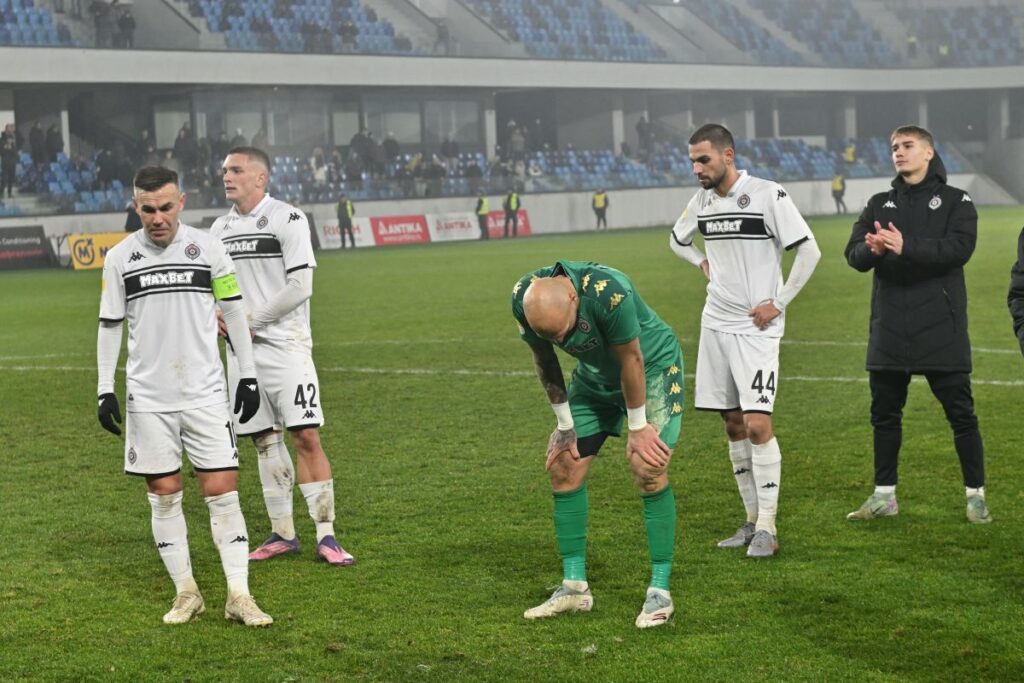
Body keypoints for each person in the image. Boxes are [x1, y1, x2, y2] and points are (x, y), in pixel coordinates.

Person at [96, 165, 272, 626]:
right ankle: (187, 592)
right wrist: (103, 389)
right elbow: (109, 325)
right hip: (149, 399)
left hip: (205, 393)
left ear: (182, 202)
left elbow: (233, 312)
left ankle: (239, 595)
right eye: (148, 209)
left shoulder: (208, 248)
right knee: (165, 493)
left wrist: (247, 377)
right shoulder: (119, 259)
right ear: (137, 207)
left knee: (222, 492)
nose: (158, 217)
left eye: (166, 207)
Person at [669, 124, 820, 557]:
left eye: (704, 160)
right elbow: (677, 239)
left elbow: (808, 250)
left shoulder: (768, 194)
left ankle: (769, 529)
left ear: (728, 155)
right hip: (715, 322)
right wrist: (700, 260)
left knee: (757, 425)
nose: (696, 168)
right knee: (732, 423)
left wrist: (780, 302)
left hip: (756, 327)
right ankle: (751, 520)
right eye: (693, 161)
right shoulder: (701, 201)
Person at [511, 260, 684, 629]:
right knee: (564, 464)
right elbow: (544, 359)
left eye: (566, 332)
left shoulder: (610, 291)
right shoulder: (524, 300)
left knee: (647, 467)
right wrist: (564, 424)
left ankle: (660, 590)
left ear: (573, 297)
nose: (562, 342)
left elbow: (632, 358)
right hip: (593, 380)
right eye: (554, 337)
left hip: (651, 369)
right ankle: (574, 587)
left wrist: (638, 427)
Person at [211, 147, 356, 566]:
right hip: (241, 355)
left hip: (286, 348)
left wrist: (251, 320)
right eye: (224, 170)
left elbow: (300, 287)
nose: (227, 176)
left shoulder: (288, 218)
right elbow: (211, 289)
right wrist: (217, 315)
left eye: (236, 170)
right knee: (262, 439)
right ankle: (283, 533)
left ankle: (326, 536)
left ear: (261, 178)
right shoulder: (218, 229)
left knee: (305, 435)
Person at [844, 125, 990, 524]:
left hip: (941, 324)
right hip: (890, 325)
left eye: (907, 146)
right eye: (894, 147)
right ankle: (884, 496)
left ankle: (975, 495)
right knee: (884, 414)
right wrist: (871, 250)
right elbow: (853, 254)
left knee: (961, 414)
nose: (899, 153)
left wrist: (907, 247)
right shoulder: (878, 203)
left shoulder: (958, 200)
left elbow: (959, 250)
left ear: (928, 152)